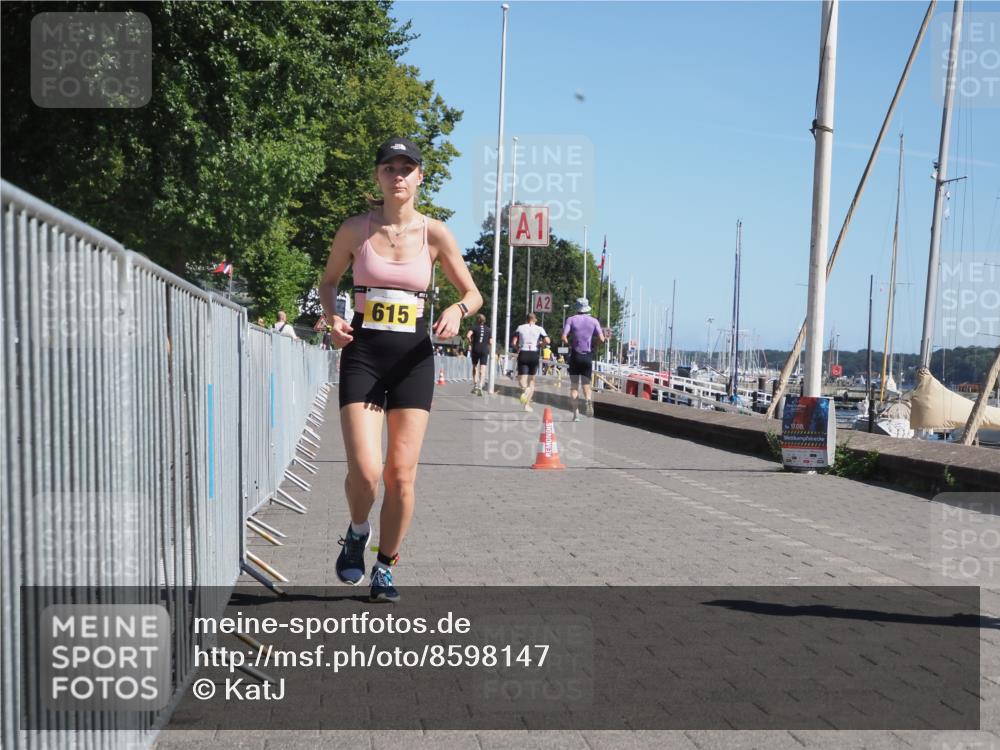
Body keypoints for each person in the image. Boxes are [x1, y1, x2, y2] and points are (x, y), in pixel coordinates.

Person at [319, 136, 482, 603]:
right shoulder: (354, 229)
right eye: (389, 167)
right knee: (367, 473)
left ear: (420, 177)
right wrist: (333, 318)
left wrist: (457, 310)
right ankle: (356, 531)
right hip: (364, 354)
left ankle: (385, 566)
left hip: (413, 358)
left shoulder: (436, 234)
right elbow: (328, 282)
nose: (398, 176)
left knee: (401, 476)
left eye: (407, 168)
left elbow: (473, 293)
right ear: (377, 176)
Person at [562, 297, 605, 421]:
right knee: (586, 384)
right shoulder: (594, 321)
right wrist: (594, 345)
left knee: (574, 386)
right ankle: (588, 400)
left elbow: (564, 336)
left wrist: (570, 345)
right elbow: (602, 339)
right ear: (587, 308)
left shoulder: (571, 320)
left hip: (575, 355)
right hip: (587, 355)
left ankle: (576, 413)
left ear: (577, 308)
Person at [512, 313, 549, 412]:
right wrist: (541, 345)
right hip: (534, 354)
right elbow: (547, 340)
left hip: (523, 352)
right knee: (531, 381)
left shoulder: (520, 327)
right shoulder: (539, 329)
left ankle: (525, 390)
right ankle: (527, 405)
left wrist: (517, 349)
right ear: (535, 320)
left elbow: (514, 342)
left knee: (521, 380)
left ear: (526, 319)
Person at [466, 313, 492, 395]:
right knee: (482, 369)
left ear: (477, 320)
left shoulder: (474, 327)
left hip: (475, 349)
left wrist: (471, 342)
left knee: (474, 367)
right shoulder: (489, 329)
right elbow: (491, 342)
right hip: (484, 350)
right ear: (484, 321)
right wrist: (487, 346)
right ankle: (481, 386)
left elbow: (468, 335)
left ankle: (475, 385)